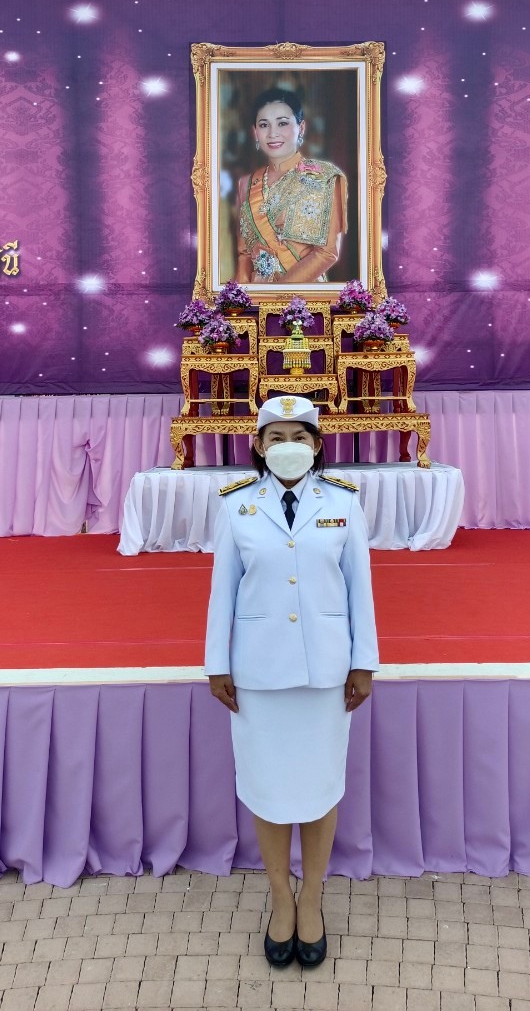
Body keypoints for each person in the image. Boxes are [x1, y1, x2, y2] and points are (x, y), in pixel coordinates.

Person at [205, 395, 379, 969]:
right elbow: (222, 591)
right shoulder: (236, 505)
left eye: (299, 437)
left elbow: (359, 587)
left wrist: (364, 661)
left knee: (320, 787)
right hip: (258, 672)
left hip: (326, 672)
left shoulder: (343, 503)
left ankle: (312, 898)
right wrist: (217, 663)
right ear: (257, 446)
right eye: (276, 437)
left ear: (317, 445)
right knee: (269, 787)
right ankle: (281, 896)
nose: (288, 447)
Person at [235, 87, 348, 285]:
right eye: (264, 125)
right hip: (257, 295)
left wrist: (277, 295)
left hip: (305, 296)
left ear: (301, 128)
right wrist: (241, 297)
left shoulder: (325, 177)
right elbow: (244, 254)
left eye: (282, 123)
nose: (273, 133)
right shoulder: (246, 184)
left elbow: (327, 253)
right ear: (255, 132)